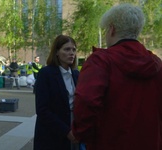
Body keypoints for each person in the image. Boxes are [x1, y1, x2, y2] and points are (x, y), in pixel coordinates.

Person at [72, 3, 162, 150]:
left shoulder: (101, 61)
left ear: (112, 29)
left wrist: (81, 134)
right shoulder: (156, 64)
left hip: (108, 142)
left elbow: (86, 101)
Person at [34, 35, 79, 150]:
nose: (71, 53)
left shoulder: (76, 74)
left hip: (74, 127)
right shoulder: (46, 74)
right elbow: (42, 109)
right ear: (57, 52)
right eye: (67, 49)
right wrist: (66, 131)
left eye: (73, 49)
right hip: (52, 132)